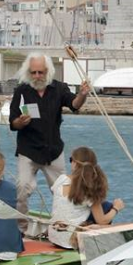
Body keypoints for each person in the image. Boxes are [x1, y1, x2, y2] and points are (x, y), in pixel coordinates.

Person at [9, 53, 89, 219]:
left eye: (41, 72)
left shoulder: (59, 88)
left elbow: (74, 105)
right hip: (28, 150)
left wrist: (82, 94)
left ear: (48, 71)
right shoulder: (21, 91)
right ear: (28, 72)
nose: (37, 76)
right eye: (33, 72)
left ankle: (66, 223)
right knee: (21, 188)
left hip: (53, 151)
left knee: (64, 192)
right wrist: (20, 122)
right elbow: (12, 123)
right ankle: (21, 227)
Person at [48, 146, 124, 248]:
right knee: (106, 206)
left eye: (71, 160)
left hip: (54, 237)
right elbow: (102, 221)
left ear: (75, 163)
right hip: (72, 242)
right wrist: (116, 208)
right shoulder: (88, 188)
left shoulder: (61, 179)